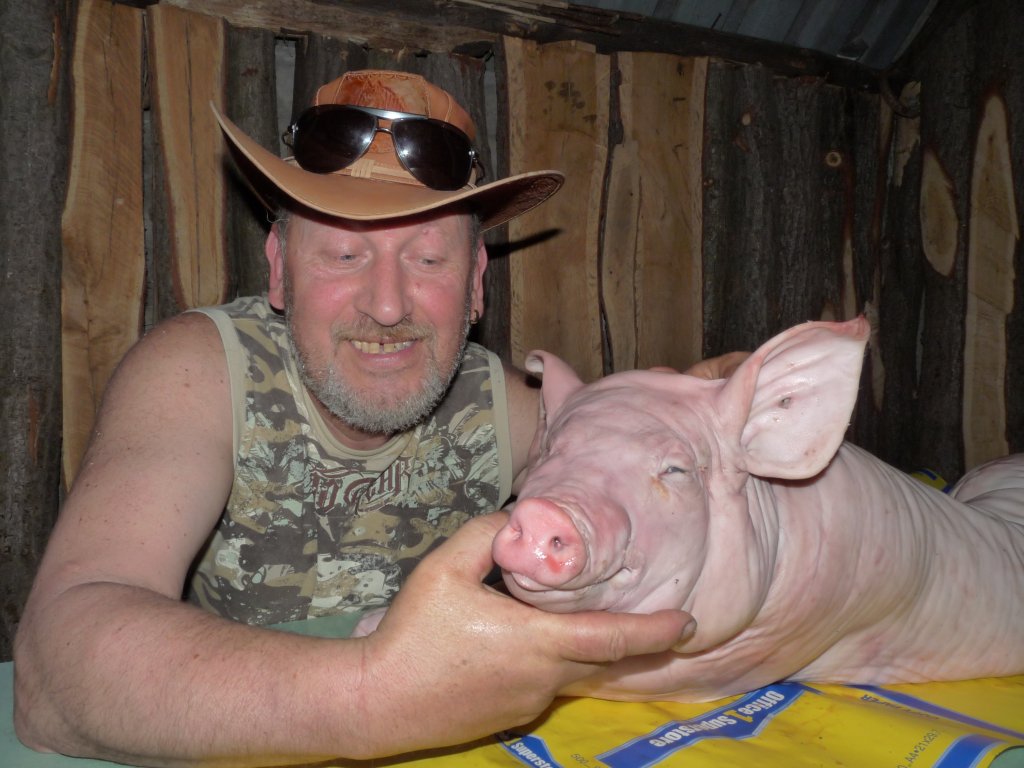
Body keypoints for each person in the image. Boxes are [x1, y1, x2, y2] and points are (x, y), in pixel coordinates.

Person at [14, 69, 734, 767]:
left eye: (428, 259)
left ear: (476, 283)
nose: (387, 306)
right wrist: (369, 694)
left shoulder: (509, 409)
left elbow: (648, 481)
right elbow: (54, 676)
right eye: (344, 253)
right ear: (279, 267)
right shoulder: (200, 373)